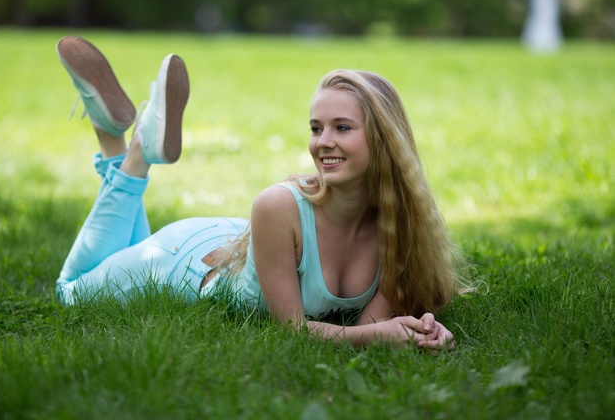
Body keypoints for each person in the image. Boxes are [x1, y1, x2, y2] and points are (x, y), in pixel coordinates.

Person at [55, 36, 463, 352]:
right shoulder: (277, 205)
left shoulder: (396, 223)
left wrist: (419, 331)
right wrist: (382, 335)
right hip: (180, 263)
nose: (323, 142)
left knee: (117, 251)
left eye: (342, 128)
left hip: (241, 246)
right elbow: (292, 330)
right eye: (316, 127)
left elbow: (365, 333)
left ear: (384, 139)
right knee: (70, 290)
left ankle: (111, 135)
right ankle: (137, 154)